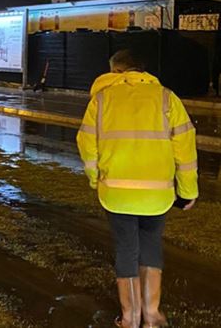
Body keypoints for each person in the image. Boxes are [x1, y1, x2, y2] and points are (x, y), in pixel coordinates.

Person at [76, 50, 198, 328]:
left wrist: (96, 178)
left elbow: (86, 144)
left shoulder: (102, 99)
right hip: (158, 193)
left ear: (116, 71)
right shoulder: (167, 97)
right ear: (142, 71)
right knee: (151, 245)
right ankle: (152, 314)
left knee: (126, 249)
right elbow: (185, 148)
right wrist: (188, 190)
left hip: (117, 192)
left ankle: (130, 318)